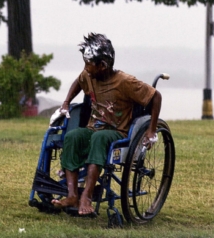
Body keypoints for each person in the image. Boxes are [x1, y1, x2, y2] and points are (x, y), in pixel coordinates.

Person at [50, 33, 161, 216]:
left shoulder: (124, 81)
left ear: (102, 65)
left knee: (99, 138)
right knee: (72, 136)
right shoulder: (89, 75)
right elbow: (79, 81)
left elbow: (155, 96)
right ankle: (72, 195)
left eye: (88, 64)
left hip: (117, 132)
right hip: (93, 129)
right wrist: (66, 102)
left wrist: (151, 129)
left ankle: (86, 196)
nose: (85, 69)